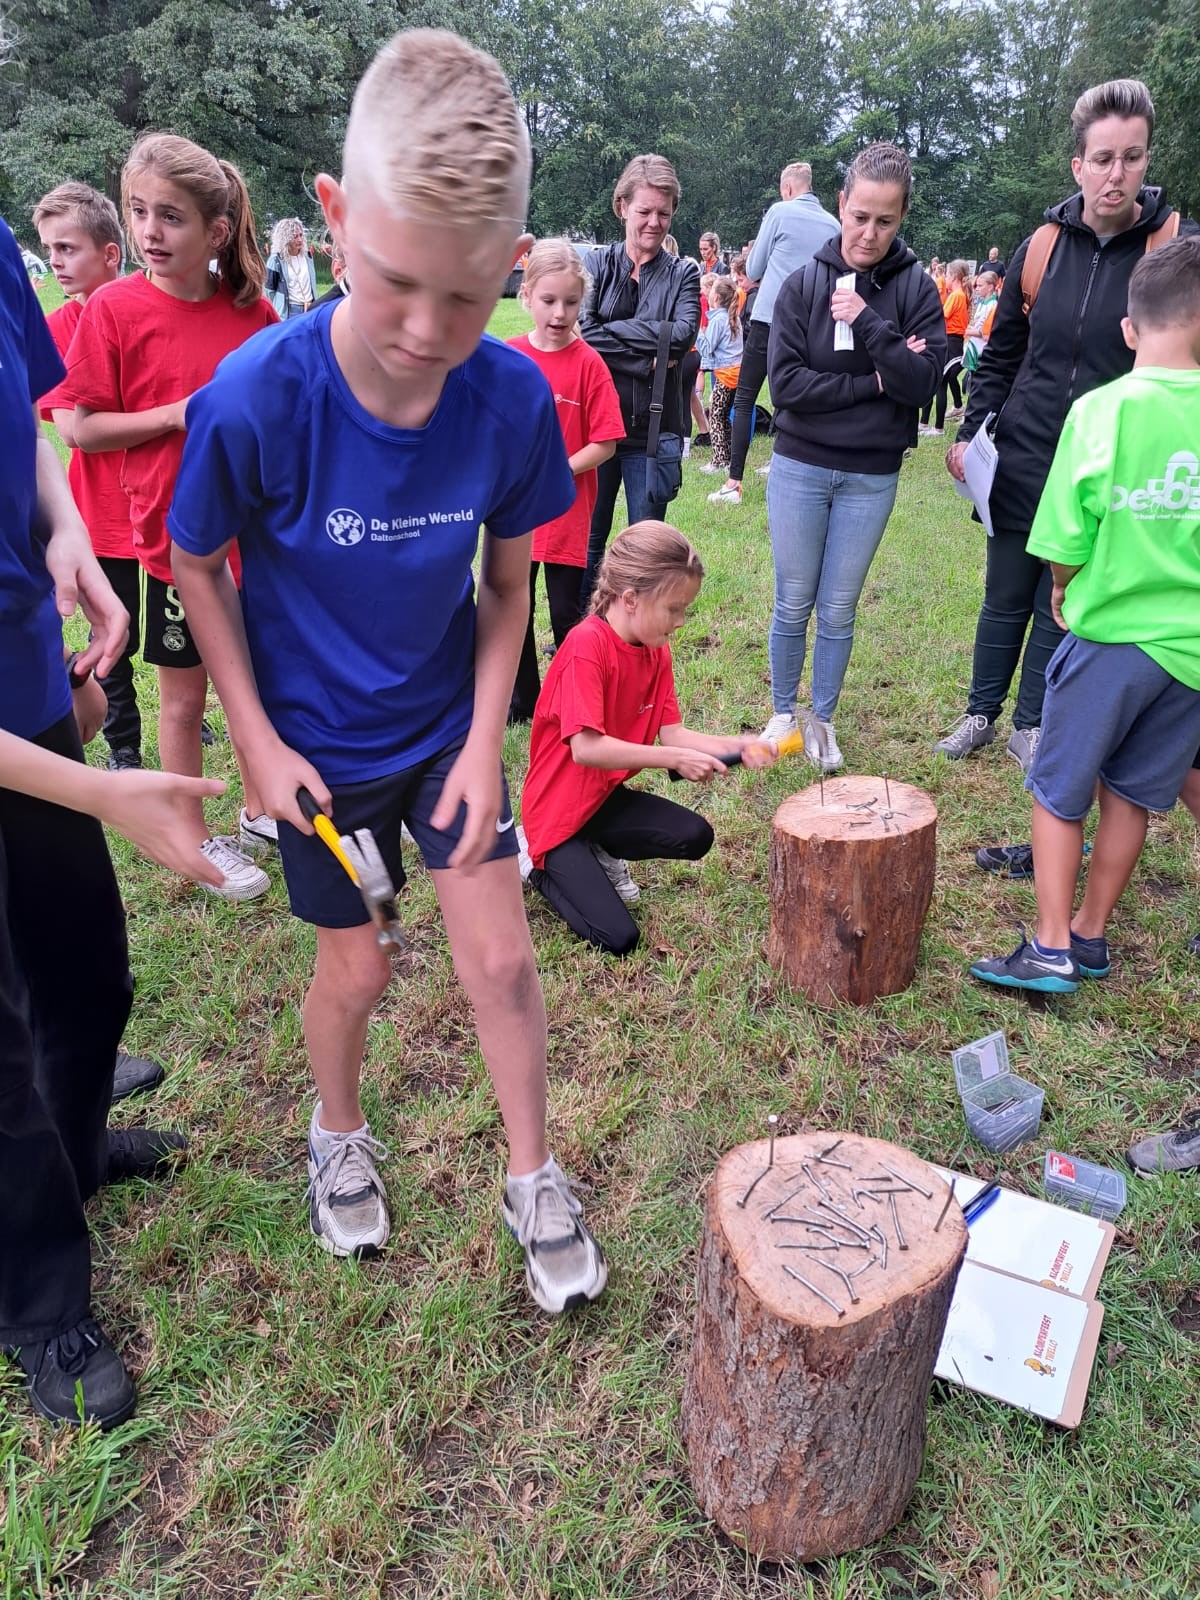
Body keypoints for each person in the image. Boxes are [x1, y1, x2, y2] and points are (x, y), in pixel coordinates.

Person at [169, 28, 607, 1315]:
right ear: (334, 218)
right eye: (396, 282)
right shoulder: (255, 397)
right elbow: (197, 567)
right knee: (356, 970)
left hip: (440, 735)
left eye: (470, 299)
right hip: (313, 753)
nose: (428, 330)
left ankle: (534, 1172)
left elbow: (510, 581)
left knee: (503, 961)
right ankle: (337, 1130)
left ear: (514, 271)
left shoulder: (514, 403)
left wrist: (482, 743)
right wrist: (252, 736)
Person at [0, 211, 224, 1429]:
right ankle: (36, 1298)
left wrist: (70, 537)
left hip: (24, 683)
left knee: (84, 970)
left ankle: (77, 1144)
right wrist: (103, 789)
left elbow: (32, 422)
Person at [937, 79, 1193, 774]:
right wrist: (970, 433)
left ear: (1146, 162)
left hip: (1117, 464)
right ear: (1077, 164)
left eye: (1131, 158)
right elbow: (1003, 353)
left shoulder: (1174, 248)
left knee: (1069, 599)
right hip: (1024, 454)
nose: (1117, 174)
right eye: (1103, 158)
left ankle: (1035, 723)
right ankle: (981, 712)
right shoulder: (1042, 246)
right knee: (1006, 593)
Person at [969, 236, 1200, 997]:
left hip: (1108, 642)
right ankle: (1093, 934)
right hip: (1188, 657)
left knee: (1057, 792)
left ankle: (1050, 945)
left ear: (1129, 330)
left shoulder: (1102, 411)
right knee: (1131, 795)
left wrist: (1065, 590)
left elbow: (1065, 536)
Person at [60, 133, 280, 898]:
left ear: (217, 231)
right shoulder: (114, 310)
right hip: (175, 544)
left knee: (255, 683)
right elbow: (79, 426)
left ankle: (262, 812)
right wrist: (176, 415)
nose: (149, 232)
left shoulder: (254, 313)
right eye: (139, 211)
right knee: (185, 697)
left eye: (171, 217)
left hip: (259, 541)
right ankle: (193, 837)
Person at [759, 143, 945, 765]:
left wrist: (869, 322)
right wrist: (875, 383)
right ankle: (784, 711)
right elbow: (786, 388)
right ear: (841, 204)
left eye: (885, 220)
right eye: (860, 216)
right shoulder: (802, 284)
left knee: (838, 607)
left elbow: (922, 386)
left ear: (902, 217)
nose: (869, 233)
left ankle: (823, 721)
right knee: (793, 598)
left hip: (871, 475)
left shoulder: (917, 288)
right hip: (800, 466)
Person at [519, 522, 776, 955]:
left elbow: (674, 732)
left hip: (600, 799)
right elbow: (586, 749)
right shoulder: (586, 647)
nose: (680, 622)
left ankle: (598, 845)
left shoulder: (654, 647)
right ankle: (533, 863)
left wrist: (739, 744)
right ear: (630, 599)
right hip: (556, 811)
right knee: (619, 939)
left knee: (695, 836)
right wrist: (672, 758)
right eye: (674, 609)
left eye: (685, 610)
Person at [33, 181, 144, 773]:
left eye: (67, 248)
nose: (54, 261)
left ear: (110, 252)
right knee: (111, 637)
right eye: (48, 249)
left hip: (161, 505)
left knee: (180, 631)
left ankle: (189, 711)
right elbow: (67, 427)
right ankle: (124, 743)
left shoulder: (150, 309)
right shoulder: (54, 327)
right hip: (97, 512)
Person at [506, 238, 624, 721]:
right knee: (512, 611)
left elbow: (607, 442)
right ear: (526, 295)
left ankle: (570, 700)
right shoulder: (509, 359)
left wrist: (559, 469)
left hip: (565, 516)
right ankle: (522, 703)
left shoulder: (589, 365)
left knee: (566, 617)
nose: (560, 313)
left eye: (571, 303)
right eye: (549, 301)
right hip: (512, 519)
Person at [578, 155, 700, 601]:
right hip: (595, 428)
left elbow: (683, 332)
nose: (654, 222)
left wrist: (608, 337)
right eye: (645, 211)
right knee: (589, 543)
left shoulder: (684, 272)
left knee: (644, 551)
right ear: (622, 206)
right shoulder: (597, 264)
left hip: (652, 431)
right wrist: (647, 358)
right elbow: (583, 330)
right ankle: (584, 631)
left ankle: (630, 639)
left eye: (663, 213)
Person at [708, 161, 839, 508]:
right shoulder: (833, 223)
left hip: (769, 318)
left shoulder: (780, 212)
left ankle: (733, 481)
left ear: (787, 189)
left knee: (745, 396)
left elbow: (752, 268)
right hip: (810, 323)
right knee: (794, 396)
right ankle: (781, 465)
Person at [695, 276, 742, 475]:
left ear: (716, 296)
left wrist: (695, 330)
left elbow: (706, 349)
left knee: (715, 417)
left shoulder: (718, 320)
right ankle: (729, 458)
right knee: (723, 416)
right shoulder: (733, 317)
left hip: (724, 376)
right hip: (736, 373)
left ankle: (718, 461)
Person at [919, 257, 969, 435]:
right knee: (939, 380)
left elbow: (942, 315)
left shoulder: (956, 296)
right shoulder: (957, 295)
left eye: (947, 275)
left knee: (940, 382)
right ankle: (924, 423)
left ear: (954, 277)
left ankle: (938, 427)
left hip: (953, 342)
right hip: (950, 341)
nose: (944, 279)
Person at [264, 217, 317, 318]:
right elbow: (269, 292)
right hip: (290, 311)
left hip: (311, 307)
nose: (300, 239)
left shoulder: (308, 256)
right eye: (295, 236)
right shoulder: (276, 260)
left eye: (301, 235)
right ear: (286, 239)